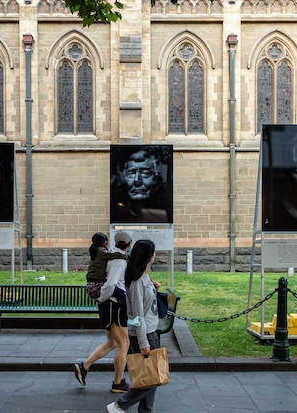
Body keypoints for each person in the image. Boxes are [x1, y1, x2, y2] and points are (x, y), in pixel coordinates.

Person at [107, 238, 161, 413]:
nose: (155, 255)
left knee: (151, 378)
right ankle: (120, 405)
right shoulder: (137, 282)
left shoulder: (144, 277)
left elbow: (144, 306)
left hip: (151, 330)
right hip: (145, 333)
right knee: (153, 378)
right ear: (147, 256)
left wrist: (154, 290)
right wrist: (143, 342)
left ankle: (146, 410)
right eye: (153, 252)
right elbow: (137, 316)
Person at [75, 231, 131, 393]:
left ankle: (84, 366)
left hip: (108, 303)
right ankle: (117, 383)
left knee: (112, 343)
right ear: (129, 244)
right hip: (114, 305)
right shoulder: (117, 260)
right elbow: (111, 284)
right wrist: (101, 298)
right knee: (124, 343)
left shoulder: (109, 255)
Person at [110, 147, 172, 224]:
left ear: (157, 177)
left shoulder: (166, 205)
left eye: (145, 173)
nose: (137, 180)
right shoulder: (117, 210)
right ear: (123, 176)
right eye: (131, 173)